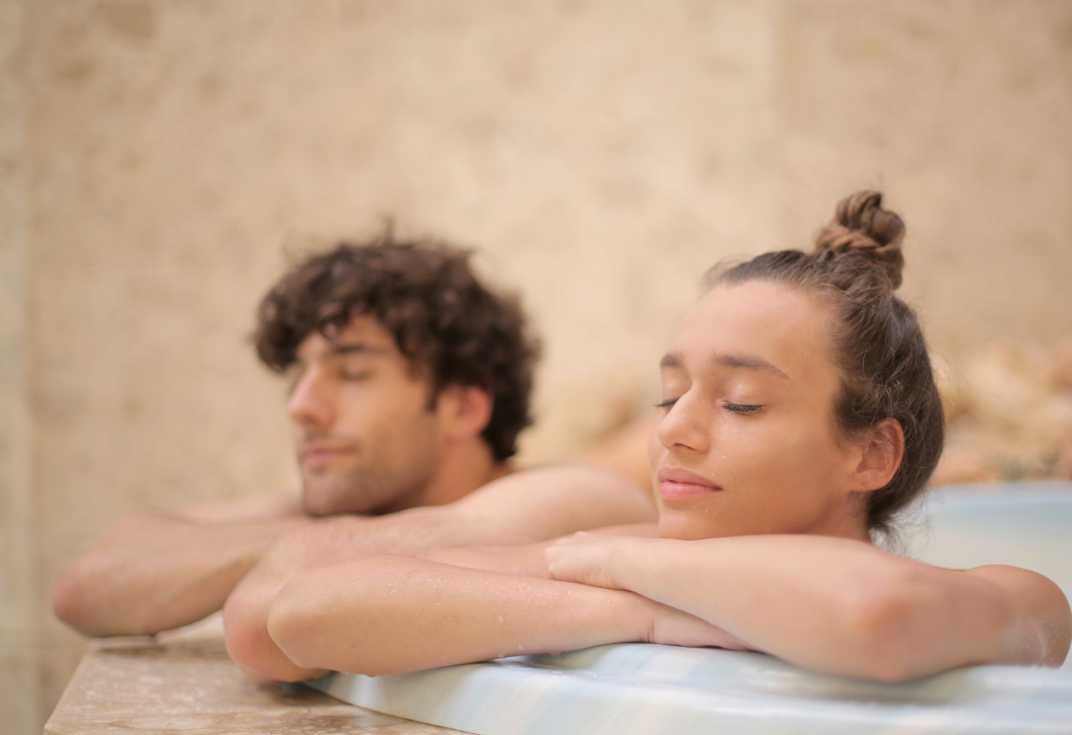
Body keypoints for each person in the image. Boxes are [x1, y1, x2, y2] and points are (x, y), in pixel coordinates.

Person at [249, 192, 1072, 684]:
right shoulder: (623, 565)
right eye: (670, 393)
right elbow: (303, 614)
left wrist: (623, 572)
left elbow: (876, 618)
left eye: (741, 403)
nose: (673, 430)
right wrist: (641, 611)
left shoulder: (1015, 597)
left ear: (871, 454)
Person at [52, 235, 654, 641]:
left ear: (462, 408)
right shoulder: (351, 509)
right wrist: (313, 537)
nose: (303, 406)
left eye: (353, 371)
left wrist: (306, 543)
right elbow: (87, 588)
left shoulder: (566, 497)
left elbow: (303, 587)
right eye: (299, 374)